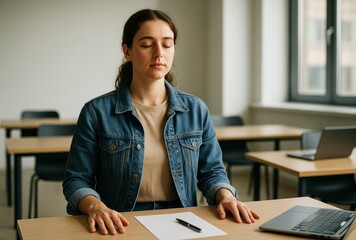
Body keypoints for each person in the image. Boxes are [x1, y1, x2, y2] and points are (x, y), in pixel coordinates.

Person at [62, 8, 260, 235]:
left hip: (181, 217)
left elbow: (212, 171)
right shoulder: (96, 112)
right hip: (120, 221)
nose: (159, 53)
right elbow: (76, 179)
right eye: (147, 45)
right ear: (127, 51)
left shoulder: (195, 109)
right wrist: (96, 207)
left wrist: (225, 196)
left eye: (167, 44)